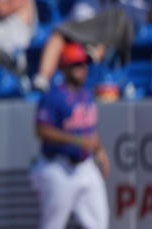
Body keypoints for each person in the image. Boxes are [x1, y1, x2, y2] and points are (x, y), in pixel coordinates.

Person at [30, 42, 110, 229]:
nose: (82, 68)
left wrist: (100, 150)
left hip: (86, 167)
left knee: (100, 224)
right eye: (76, 64)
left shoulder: (86, 94)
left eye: (84, 63)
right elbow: (41, 130)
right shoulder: (53, 96)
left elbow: (90, 128)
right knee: (52, 225)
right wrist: (76, 140)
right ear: (64, 67)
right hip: (59, 168)